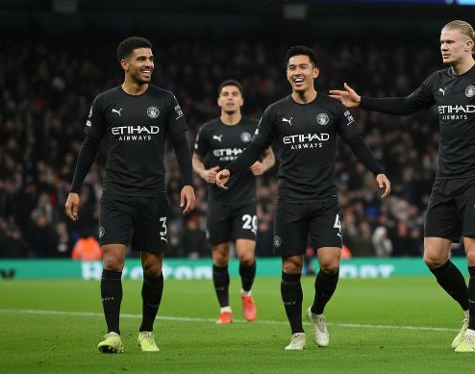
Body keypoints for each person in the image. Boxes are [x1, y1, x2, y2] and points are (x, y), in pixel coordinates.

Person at [330, 20, 475, 353]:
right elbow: (406, 105)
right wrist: (363, 102)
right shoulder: (438, 81)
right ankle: (474, 309)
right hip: (445, 180)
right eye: (441, 42)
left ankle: (474, 333)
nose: (443, 47)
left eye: (450, 42)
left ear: (468, 45)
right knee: (433, 257)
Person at [215, 46, 391, 350]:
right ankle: (297, 333)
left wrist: (377, 170)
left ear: (314, 72)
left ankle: (317, 312)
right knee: (292, 266)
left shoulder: (333, 108)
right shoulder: (275, 112)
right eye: (292, 68)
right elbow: (255, 148)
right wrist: (230, 170)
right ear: (287, 74)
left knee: (330, 264)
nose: (297, 72)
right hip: (290, 199)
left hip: (324, 198)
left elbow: (355, 142)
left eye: (302, 67)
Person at [65, 36, 195, 353]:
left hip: (153, 195)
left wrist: (188, 182)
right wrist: (75, 189)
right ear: (125, 64)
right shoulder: (105, 101)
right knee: (113, 260)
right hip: (117, 194)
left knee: (153, 266)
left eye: (151, 59)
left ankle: (147, 332)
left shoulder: (165, 100)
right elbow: (90, 146)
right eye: (142, 59)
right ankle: (113, 333)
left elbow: (181, 142)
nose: (149, 64)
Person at [193, 79, 275, 324]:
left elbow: (271, 156)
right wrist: (203, 173)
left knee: (246, 256)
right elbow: (195, 159)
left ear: (241, 100)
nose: (230, 97)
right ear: (219, 100)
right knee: (220, 256)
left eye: (234, 94)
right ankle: (225, 309)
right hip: (218, 202)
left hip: (245, 200)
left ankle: (246, 294)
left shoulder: (254, 127)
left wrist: (263, 166)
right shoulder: (208, 130)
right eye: (225, 94)